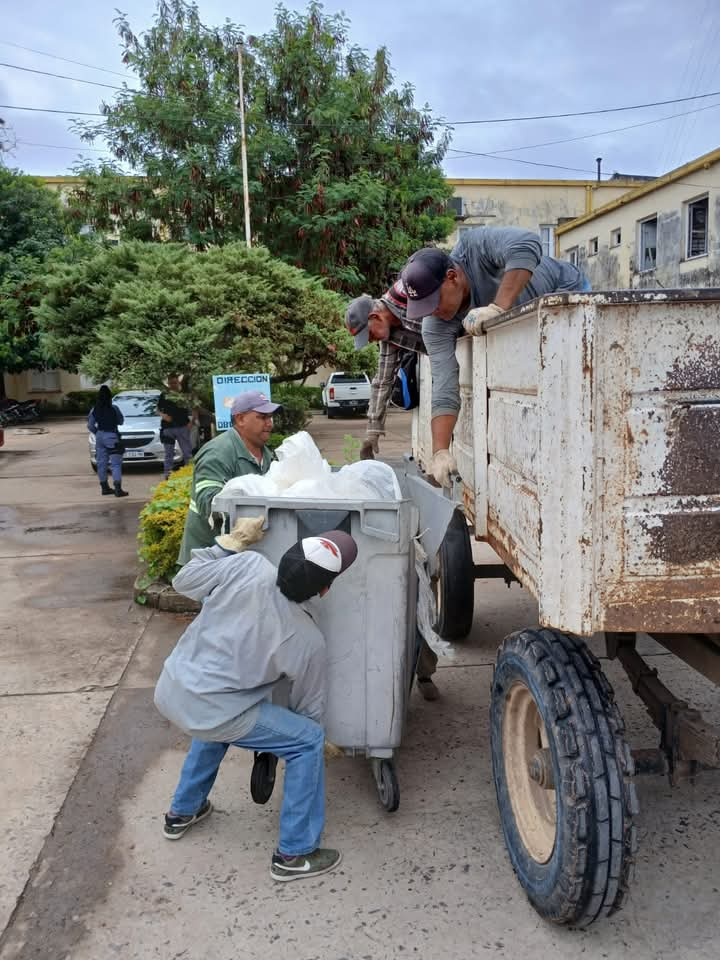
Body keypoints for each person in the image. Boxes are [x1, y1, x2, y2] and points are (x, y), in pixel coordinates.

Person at [154, 524, 358, 882]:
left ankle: (182, 812)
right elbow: (308, 710)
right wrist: (308, 742)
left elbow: (183, 580)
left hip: (173, 686)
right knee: (307, 741)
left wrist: (228, 544)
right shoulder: (308, 640)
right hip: (214, 709)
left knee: (215, 717)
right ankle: (294, 855)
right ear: (325, 589)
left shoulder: (248, 565)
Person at [400, 227, 591, 488]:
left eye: (434, 302)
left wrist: (498, 308)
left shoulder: (474, 246)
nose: (431, 312)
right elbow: (444, 385)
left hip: (566, 294)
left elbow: (528, 243)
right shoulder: (435, 325)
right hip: (526, 329)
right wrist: (440, 452)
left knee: (581, 397)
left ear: (452, 277)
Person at [177, 391, 280, 565]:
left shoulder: (266, 454)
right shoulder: (218, 452)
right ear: (240, 419)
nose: (269, 423)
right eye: (262, 417)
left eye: (270, 417)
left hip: (243, 557)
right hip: (210, 559)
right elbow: (207, 500)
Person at [344, 279, 426, 462]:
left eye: (370, 335)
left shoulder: (408, 296)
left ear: (375, 317)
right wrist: (372, 432)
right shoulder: (389, 338)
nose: (371, 340)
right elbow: (381, 382)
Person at [87, 385, 129, 498]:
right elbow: (121, 422)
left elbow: (90, 425)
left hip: (100, 436)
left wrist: (98, 433)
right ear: (110, 396)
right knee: (115, 464)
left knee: (101, 463)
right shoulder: (114, 408)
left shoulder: (95, 409)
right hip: (111, 435)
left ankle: (105, 488)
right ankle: (118, 490)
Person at [157, 374, 193, 479]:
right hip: (167, 428)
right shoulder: (164, 395)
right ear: (168, 383)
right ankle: (168, 475)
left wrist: (193, 421)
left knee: (187, 453)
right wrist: (163, 416)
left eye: (174, 382)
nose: (172, 385)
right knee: (168, 454)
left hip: (183, 427)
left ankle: (190, 474)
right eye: (170, 383)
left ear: (178, 382)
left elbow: (194, 407)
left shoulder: (184, 394)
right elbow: (157, 409)